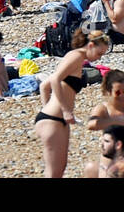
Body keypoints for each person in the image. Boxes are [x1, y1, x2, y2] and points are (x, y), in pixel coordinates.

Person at [35, 29, 111, 178]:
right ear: (90, 45)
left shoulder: (75, 57)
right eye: (99, 53)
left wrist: (49, 109)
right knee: (53, 173)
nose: (98, 58)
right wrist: (64, 111)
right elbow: (55, 79)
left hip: (55, 119)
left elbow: (45, 86)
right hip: (53, 119)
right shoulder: (76, 57)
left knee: (60, 169)